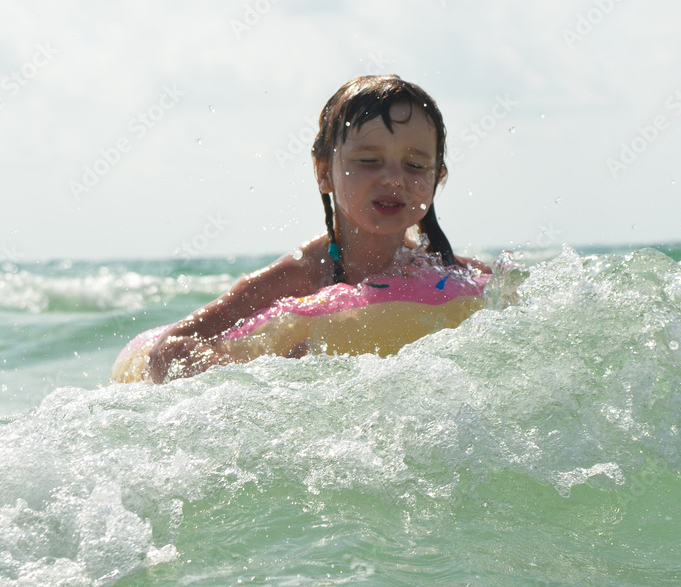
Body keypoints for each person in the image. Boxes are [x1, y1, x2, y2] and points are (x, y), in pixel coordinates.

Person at [146, 75, 491, 383]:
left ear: (437, 177)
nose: (393, 179)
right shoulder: (298, 275)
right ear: (324, 171)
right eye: (368, 161)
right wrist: (262, 379)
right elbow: (170, 348)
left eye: (415, 165)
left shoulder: (453, 273)